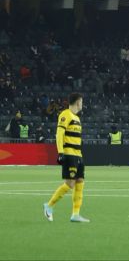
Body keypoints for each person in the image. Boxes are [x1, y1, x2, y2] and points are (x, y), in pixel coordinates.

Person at [43, 92, 89, 223]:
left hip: (78, 155)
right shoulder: (65, 115)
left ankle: (75, 214)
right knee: (70, 184)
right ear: (78, 102)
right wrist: (60, 152)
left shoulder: (77, 118)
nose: (82, 104)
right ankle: (49, 205)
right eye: (82, 101)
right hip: (69, 154)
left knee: (80, 182)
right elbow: (59, 134)